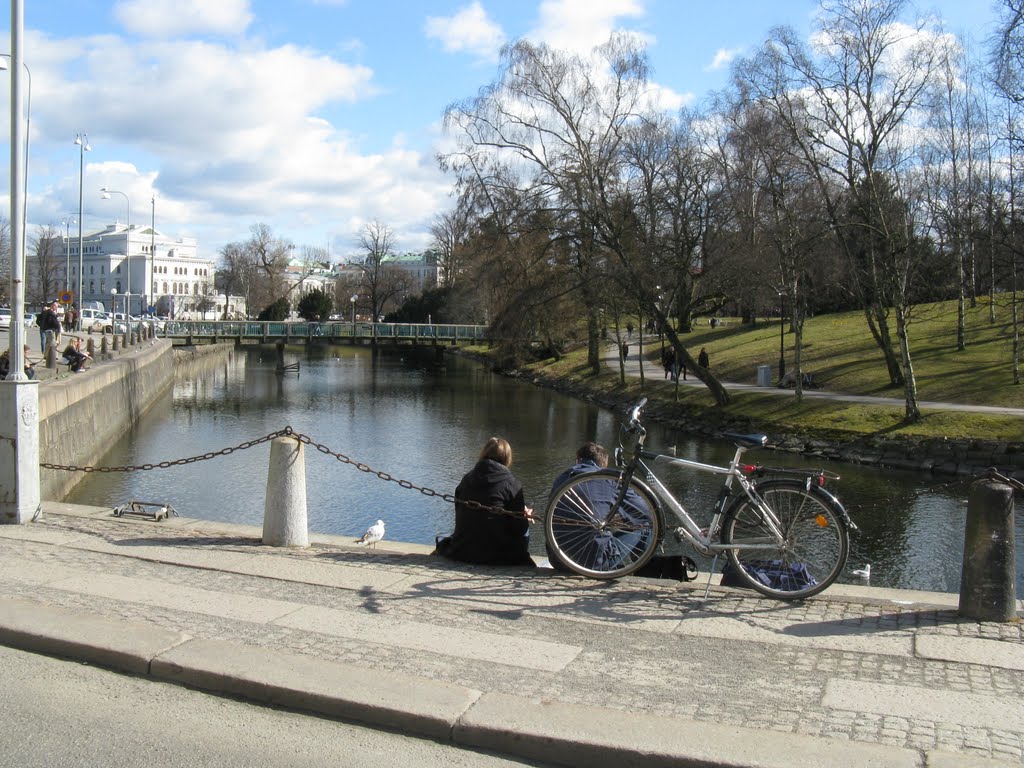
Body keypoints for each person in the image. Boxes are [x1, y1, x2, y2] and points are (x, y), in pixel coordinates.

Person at [434, 437, 535, 567]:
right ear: (507, 458)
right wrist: (524, 515)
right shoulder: (512, 484)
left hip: (462, 551)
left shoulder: (466, 479)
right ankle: (521, 557)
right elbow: (519, 529)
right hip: (498, 556)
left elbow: (460, 512)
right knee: (525, 526)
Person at [545, 442, 609, 570]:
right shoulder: (609, 480)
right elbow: (642, 510)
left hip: (558, 559)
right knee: (644, 527)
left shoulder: (561, 478)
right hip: (591, 563)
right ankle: (646, 572)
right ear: (603, 464)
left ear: (578, 460)